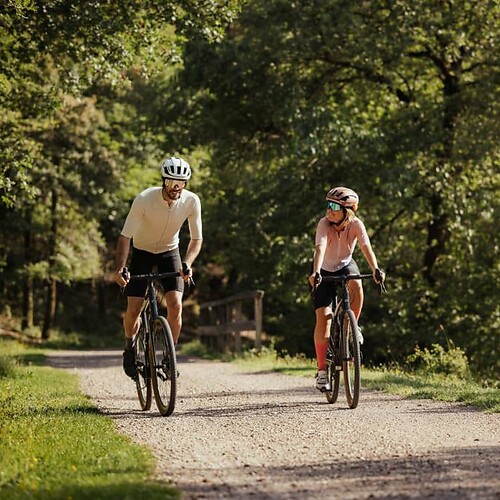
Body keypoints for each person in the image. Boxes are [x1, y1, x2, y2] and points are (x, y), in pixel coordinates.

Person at [114, 156, 203, 378]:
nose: (176, 187)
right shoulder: (144, 199)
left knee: (175, 305)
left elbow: (196, 239)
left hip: (169, 252)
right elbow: (125, 237)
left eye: (181, 183)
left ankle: (170, 357)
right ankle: (129, 347)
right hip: (142, 252)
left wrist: (187, 263)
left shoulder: (191, 201)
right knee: (134, 309)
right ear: (164, 181)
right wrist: (120, 268)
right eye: (172, 182)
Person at [308, 186, 385, 391]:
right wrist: (316, 272)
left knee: (356, 283)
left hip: (345, 264)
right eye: (328, 205)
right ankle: (322, 371)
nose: (329, 210)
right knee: (324, 317)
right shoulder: (324, 224)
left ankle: (352, 326)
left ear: (347, 211)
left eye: (334, 206)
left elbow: (366, 246)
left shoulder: (356, 224)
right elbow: (319, 248)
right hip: (323, 268)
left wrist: (376, 269)